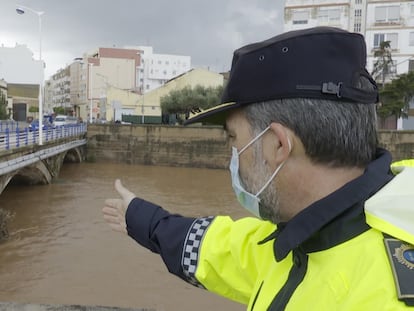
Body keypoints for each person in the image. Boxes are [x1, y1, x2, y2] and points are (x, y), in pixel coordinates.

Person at [102, 27, 414, 310]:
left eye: (234, 139)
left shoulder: (383, 297)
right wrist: (141, 218)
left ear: (278, 144)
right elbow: (219, 248)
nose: (233, 154)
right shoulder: (304, 238)